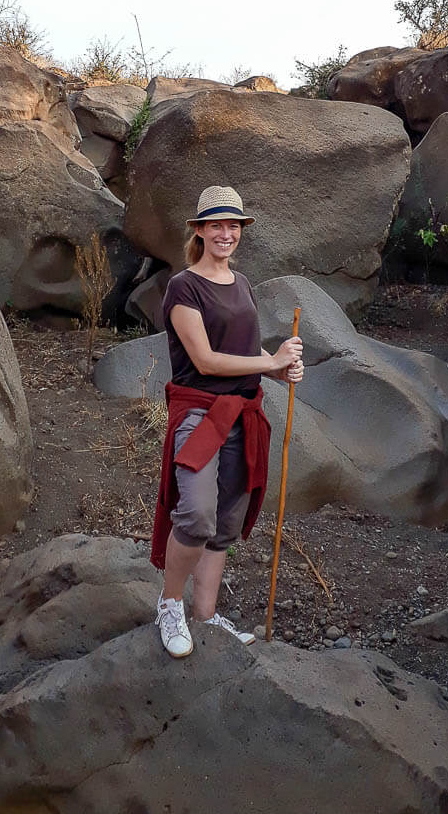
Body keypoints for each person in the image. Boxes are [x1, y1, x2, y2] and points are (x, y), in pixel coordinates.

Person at [150, 186, 304, 658]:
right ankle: (169, 606)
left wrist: (278, 367)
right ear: (199, 230)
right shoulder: (184, 287)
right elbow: (207, 360)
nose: (225, 233)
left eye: (233, 225)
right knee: (196, 513)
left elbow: (243, 353)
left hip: (242, 414)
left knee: (224, 524)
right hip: (200, 412)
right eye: (216, 224)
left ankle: (205, 617)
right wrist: (268, 362)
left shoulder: (241, 284)